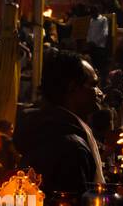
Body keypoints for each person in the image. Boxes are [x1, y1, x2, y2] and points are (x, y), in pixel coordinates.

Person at [14, 51, 103, 196]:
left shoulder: (44, 128)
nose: (99, 92)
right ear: (72, 87)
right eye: (93, 85)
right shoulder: (72, 147)